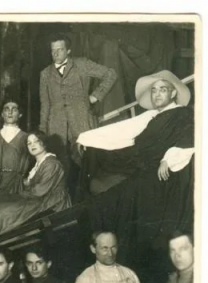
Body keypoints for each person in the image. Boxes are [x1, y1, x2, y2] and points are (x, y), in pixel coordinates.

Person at [77, 70, 194, 259]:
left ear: (173, 93)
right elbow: (121, 130)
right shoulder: (150, 115)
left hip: (161, 167)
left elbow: (189, 139)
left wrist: (168, 158)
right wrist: (86, 138)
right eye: (154, 90)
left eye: (162, 90)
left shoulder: (183, 114)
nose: (157, 94)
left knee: (122, 195)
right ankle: (86, 213)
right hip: (139, 160)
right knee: (93, 153)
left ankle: (123, 246)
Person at [0, 131, 71, 239]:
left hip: (51, 203)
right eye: (29, 143)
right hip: (39, 199)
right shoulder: (39, 163)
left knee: (0, 211)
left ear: (44, 143)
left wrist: (19, 194)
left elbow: (39, 191)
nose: (32, 145)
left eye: (36, 141)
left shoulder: (51, 163)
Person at [39, 33, 117, 159]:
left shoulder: (82, 64)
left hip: (82, 122)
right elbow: (45, 104)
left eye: (60, 50)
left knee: (85, 160)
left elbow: (110, 74)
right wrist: (43, 130)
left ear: (68, 51)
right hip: (56, 128)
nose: (55, 54)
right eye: (53, 50)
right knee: (60, 162)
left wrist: (95, 96)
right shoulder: (45, 74)